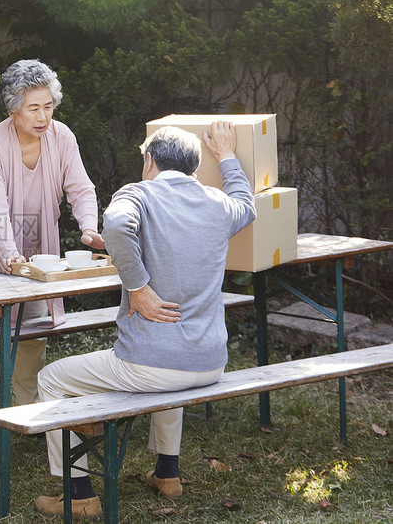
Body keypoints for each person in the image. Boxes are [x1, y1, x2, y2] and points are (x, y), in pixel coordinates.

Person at [33, 121, 256, 518]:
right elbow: (247, 202)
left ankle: (79, 494)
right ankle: (167, 474)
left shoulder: (138, 193)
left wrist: (138, 286)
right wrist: (227, 155)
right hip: (209, 364)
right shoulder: (218, 204)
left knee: (51, 378)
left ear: (149, 161)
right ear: (193, 167)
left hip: (152, 365)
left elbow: (117, 223)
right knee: (169, 365)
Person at [0, 59, 105, 447]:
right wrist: (9, 254)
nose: (43, 116)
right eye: (33, 108)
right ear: (13, 108)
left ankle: (27, 414)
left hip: (41, 244)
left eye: (48, 106)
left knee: (33, 332)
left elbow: (80, 187)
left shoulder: (62, 137)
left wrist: (89, 227)